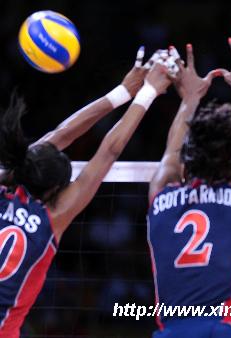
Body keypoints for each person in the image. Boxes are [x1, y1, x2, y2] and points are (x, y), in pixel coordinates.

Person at [0, 48, 171, 338]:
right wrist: (149, 92)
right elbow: (109, 151)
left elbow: (59, 135)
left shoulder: (5, 183)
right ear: (55, 191)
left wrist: (122, 92)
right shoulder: (51, 218)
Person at [147, 29, 231, 337]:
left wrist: (189, 98)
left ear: (187, 159)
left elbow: (171, 156)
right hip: (221, 329)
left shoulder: (162, 194)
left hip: (170, 331)